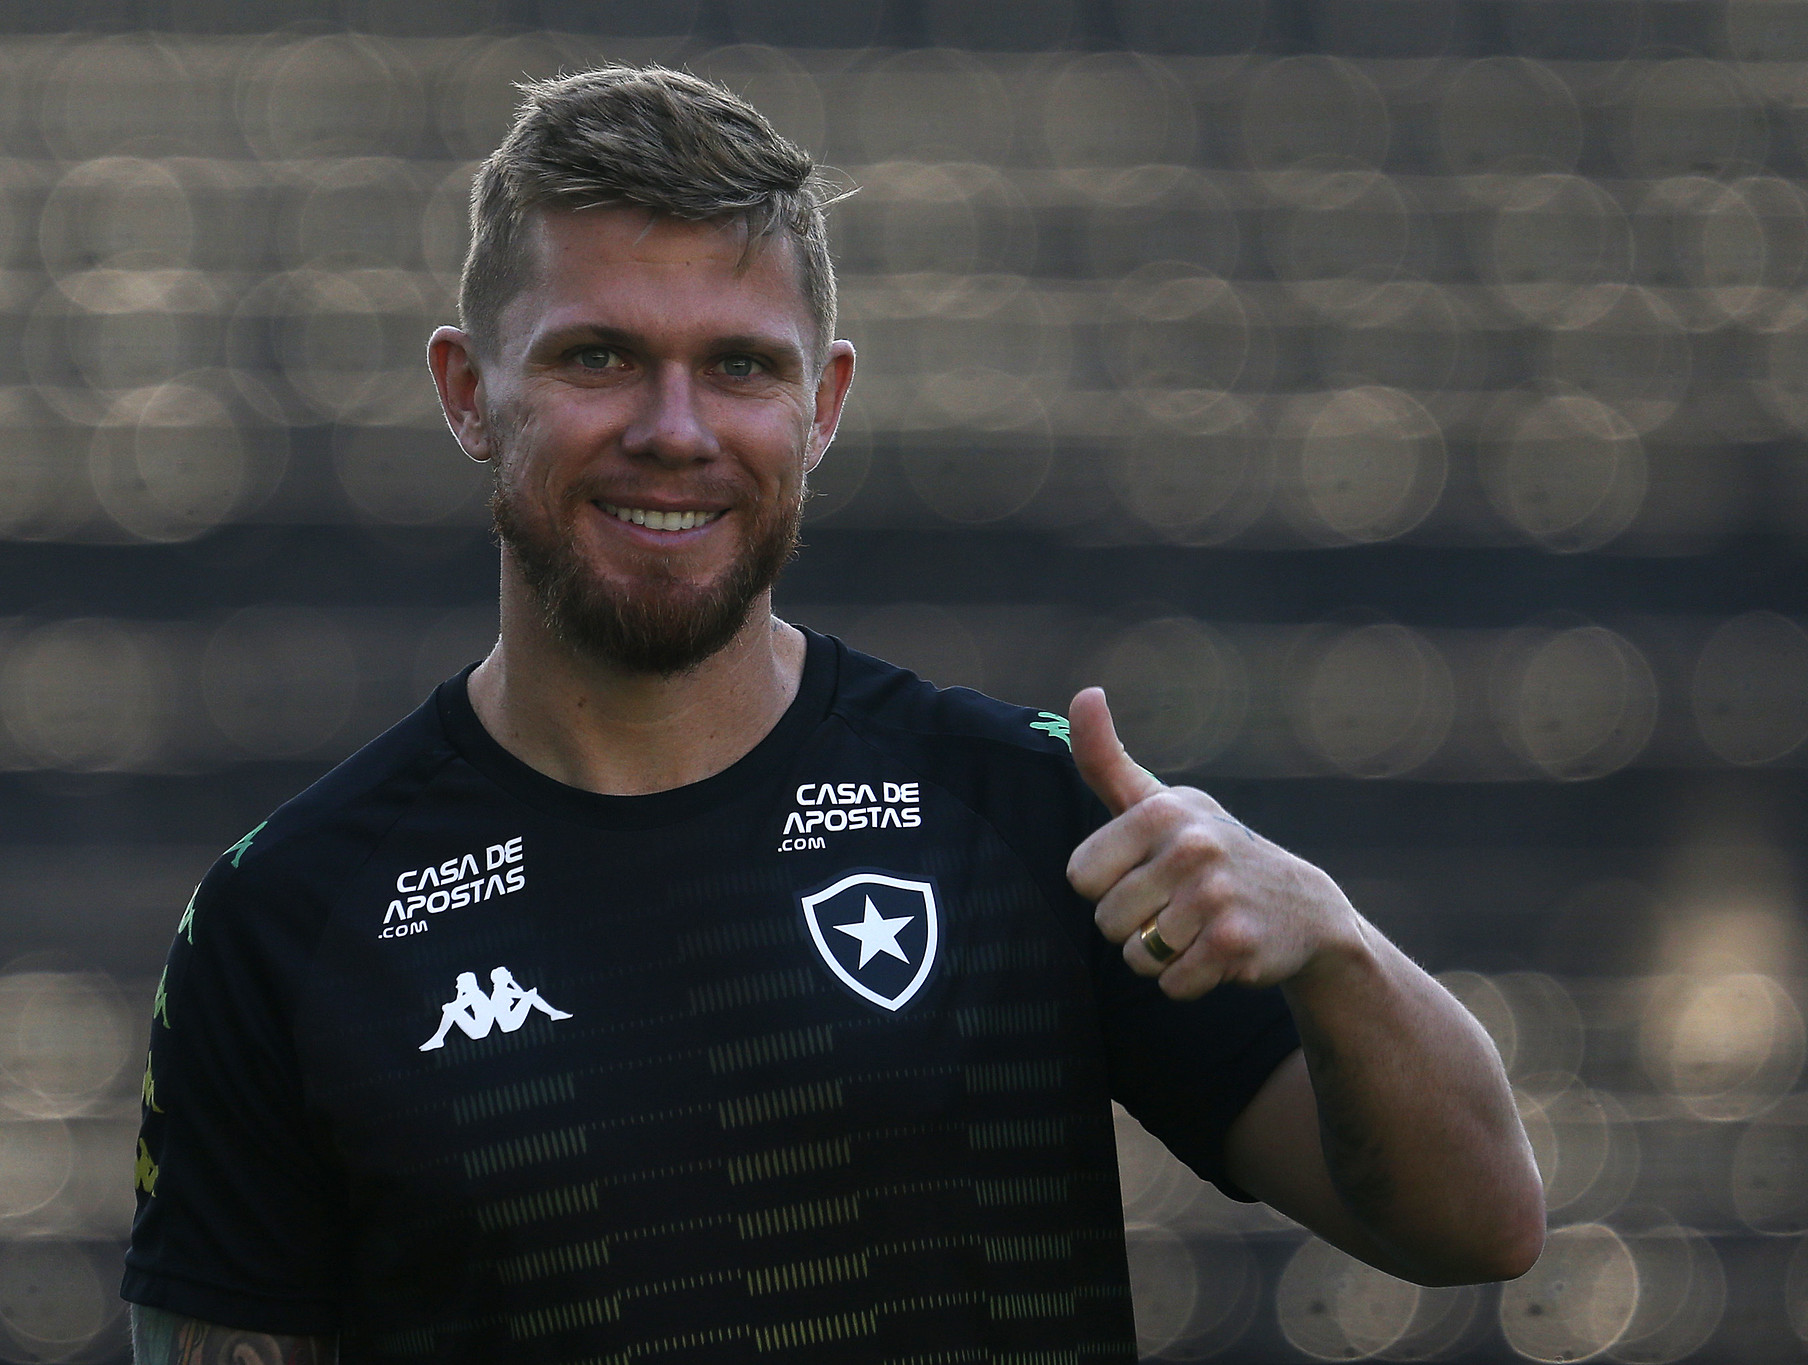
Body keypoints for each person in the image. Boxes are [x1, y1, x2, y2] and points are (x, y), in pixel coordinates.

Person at [122, 66, 1543, 1363]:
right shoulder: (286, 919)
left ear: (824, 405)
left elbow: (1480, 1223)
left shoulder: (1021, 812)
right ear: (467, 393)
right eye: (597, 357)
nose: (675, 429)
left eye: (741, 366)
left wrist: (1335, 946)